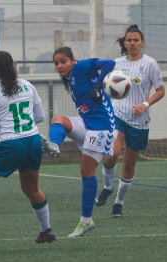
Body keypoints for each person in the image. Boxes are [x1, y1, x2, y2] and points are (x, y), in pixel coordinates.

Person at [0, 51, 55, 251]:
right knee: (31, 189)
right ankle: (46, 231)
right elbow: (40, 117)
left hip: (11, 144)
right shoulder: (28, 85)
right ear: (13, 66)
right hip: (32, 142)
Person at [41, 46, 117, 238]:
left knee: (86, 170)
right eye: (56, 63)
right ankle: (54, 146)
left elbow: (110, 63)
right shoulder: (69, 78)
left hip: (102, 127)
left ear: (73, 60)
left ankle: (86, 221)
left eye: (63, 61)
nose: (59, 66)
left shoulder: (82, 66)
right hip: (86, 123)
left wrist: (99, 85)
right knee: (58, 120)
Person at [95, 24, 165, 218]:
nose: (132, 43)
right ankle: (108, 188)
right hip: (117, 114)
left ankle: (118, 203)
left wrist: (145, 104)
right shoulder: (116, 63)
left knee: (128, 164)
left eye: (136, 40)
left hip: (139, 119)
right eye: (129, 40)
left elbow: (161, 90)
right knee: (112, 153)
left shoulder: (150, 64)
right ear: (124, 43)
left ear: (142, 43)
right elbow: (104, 82)